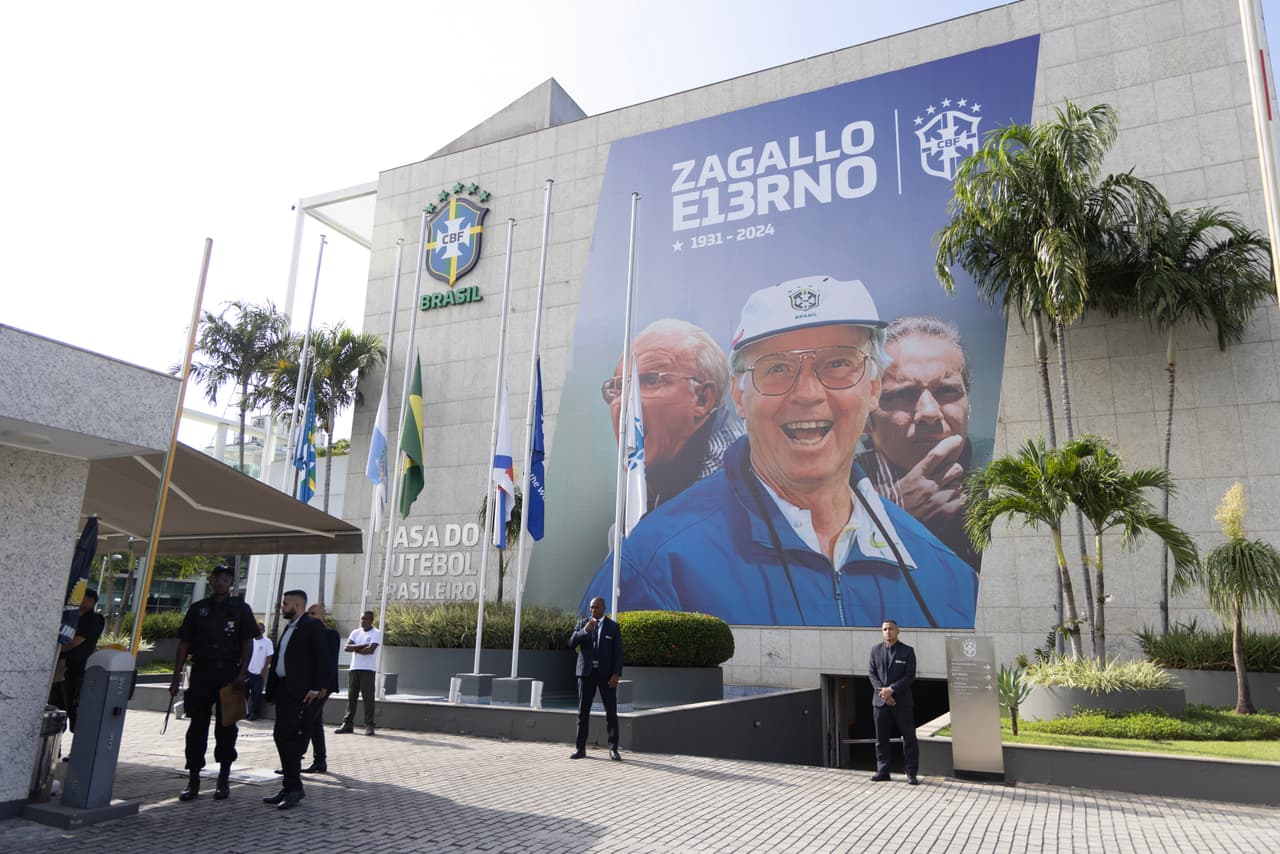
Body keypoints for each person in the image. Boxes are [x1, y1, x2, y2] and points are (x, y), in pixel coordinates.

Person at [581, 275, 979, 628]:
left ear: (873, 389)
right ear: (740, 397)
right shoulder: (653, 566)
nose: (807, 393)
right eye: (776, 368)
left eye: (838, 363)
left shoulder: (945, 577)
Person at [858, 316, 980, 568]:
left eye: (947, 391)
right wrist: (893, 519)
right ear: (865, 420)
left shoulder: (1005, 473)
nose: (929, 412)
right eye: (903, 394)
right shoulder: (833, 490)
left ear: (969, 406)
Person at [600, 318, 743, 510]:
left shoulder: (727, 494)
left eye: (651, 381)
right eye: (618, 387)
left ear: (702, 399)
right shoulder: (662, 481)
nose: (624, 403)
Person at [168, 564, 257, 801]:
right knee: (197, 727)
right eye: (217, 578)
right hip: (201, 673)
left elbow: (248, 642)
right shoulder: (199, 609)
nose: (221, 582)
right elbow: (184, 644)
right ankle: (193, 780)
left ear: (231, 584)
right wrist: (176, 677)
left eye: (226, 579)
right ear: (211, 581)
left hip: (229, 674)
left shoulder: (240, 609)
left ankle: (223, 778)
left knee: (227, 728)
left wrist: (242, 673)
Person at [263, 589, 328, 811]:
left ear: (297, 606)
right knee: (281, 736)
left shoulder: (311, 626)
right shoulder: (290, 627)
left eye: (286, 603)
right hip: (283, 690)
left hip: (298, 692)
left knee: (288, 737)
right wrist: (271, 692)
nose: (282, 607)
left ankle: (294, 788)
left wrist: (316, 687)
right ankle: (289, 784)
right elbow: (280, 660)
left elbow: (323, 658)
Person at [569, 597, 624, 761]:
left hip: (606, 675)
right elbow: (571, 643)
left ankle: (613, 749)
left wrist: (616, 674)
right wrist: (584, 631)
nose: (593, 610)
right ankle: (580, 749)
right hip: (586, 674)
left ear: (604, 608)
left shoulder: (612, 627)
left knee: (611, 712)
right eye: (591, 608)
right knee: (582, 712)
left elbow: (618, 653)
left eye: (597, 608)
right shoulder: (582, 624)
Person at [868, 619, 919, 784]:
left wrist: (892, 690)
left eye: (891, 629)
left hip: (902, 703)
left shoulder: (907, 651)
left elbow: (909, 676)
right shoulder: (875, 650)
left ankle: (911, 773)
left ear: (898, 631)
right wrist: (884, 694)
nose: (888, 632)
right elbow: (872, 674)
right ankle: (883, 771)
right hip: (880, 703)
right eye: (884, 629)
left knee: (909, 738)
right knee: (881, 739)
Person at [52, 588, 105, 733]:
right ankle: (56, 746)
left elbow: (73, 642)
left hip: (76, 671)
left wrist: (53, 650)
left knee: (74, 710)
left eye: (81, 598)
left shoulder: (93, 620)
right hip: (60, 669)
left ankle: (78, 750)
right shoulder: (71, 617)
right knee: (55, 708)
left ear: (90, 601)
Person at [301, 603, 339, 772]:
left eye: (314, 613)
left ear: (323, 615)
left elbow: (330, 662)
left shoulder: (330, 635)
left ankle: (294, 759)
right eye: (309, 613)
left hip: (323, 687)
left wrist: (323, 685)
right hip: (309, 686)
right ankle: (320, 761)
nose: (310, 616)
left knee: (307, 720)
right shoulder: (306, 634)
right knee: (315, 722)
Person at [336, 610, 381, 736]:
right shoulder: (355, 632)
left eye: (366, 619)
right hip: (354, 668)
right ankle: (348, 724)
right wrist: (362, 646)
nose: (363, 621)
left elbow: (370, 650)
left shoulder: (376, 633)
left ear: (371, 620)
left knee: (368, 698)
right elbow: (346, 648)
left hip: (368, 669)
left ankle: (369, 725)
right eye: (362, 619)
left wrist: (355, 648)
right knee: (351, 697)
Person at [245, 622, 273, 722]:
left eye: (260, 629)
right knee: (244, 693)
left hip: (258, 673)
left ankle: (254, 713)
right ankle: (243, 712)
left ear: (263, 630)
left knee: (256, 695)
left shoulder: (267, 642)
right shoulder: (250, 640)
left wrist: (264, 669)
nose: (258, 631)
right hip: (247, 671)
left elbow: (269, 656)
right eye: (257, 628)